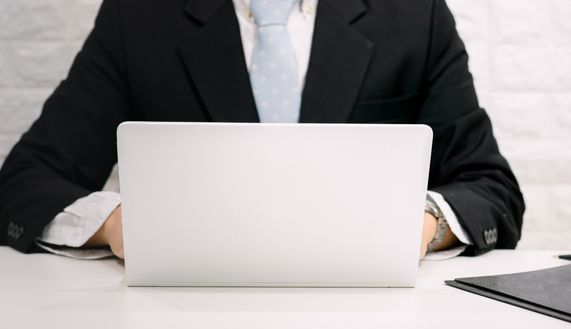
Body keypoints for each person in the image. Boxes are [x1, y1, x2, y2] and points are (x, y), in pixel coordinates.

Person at [0, 0, 525, 260]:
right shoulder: (140, 18)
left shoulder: (413, 15)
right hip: (180, 320)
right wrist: (117, 224)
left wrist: (423, 224)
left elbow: (491, 190)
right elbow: (24, 183)